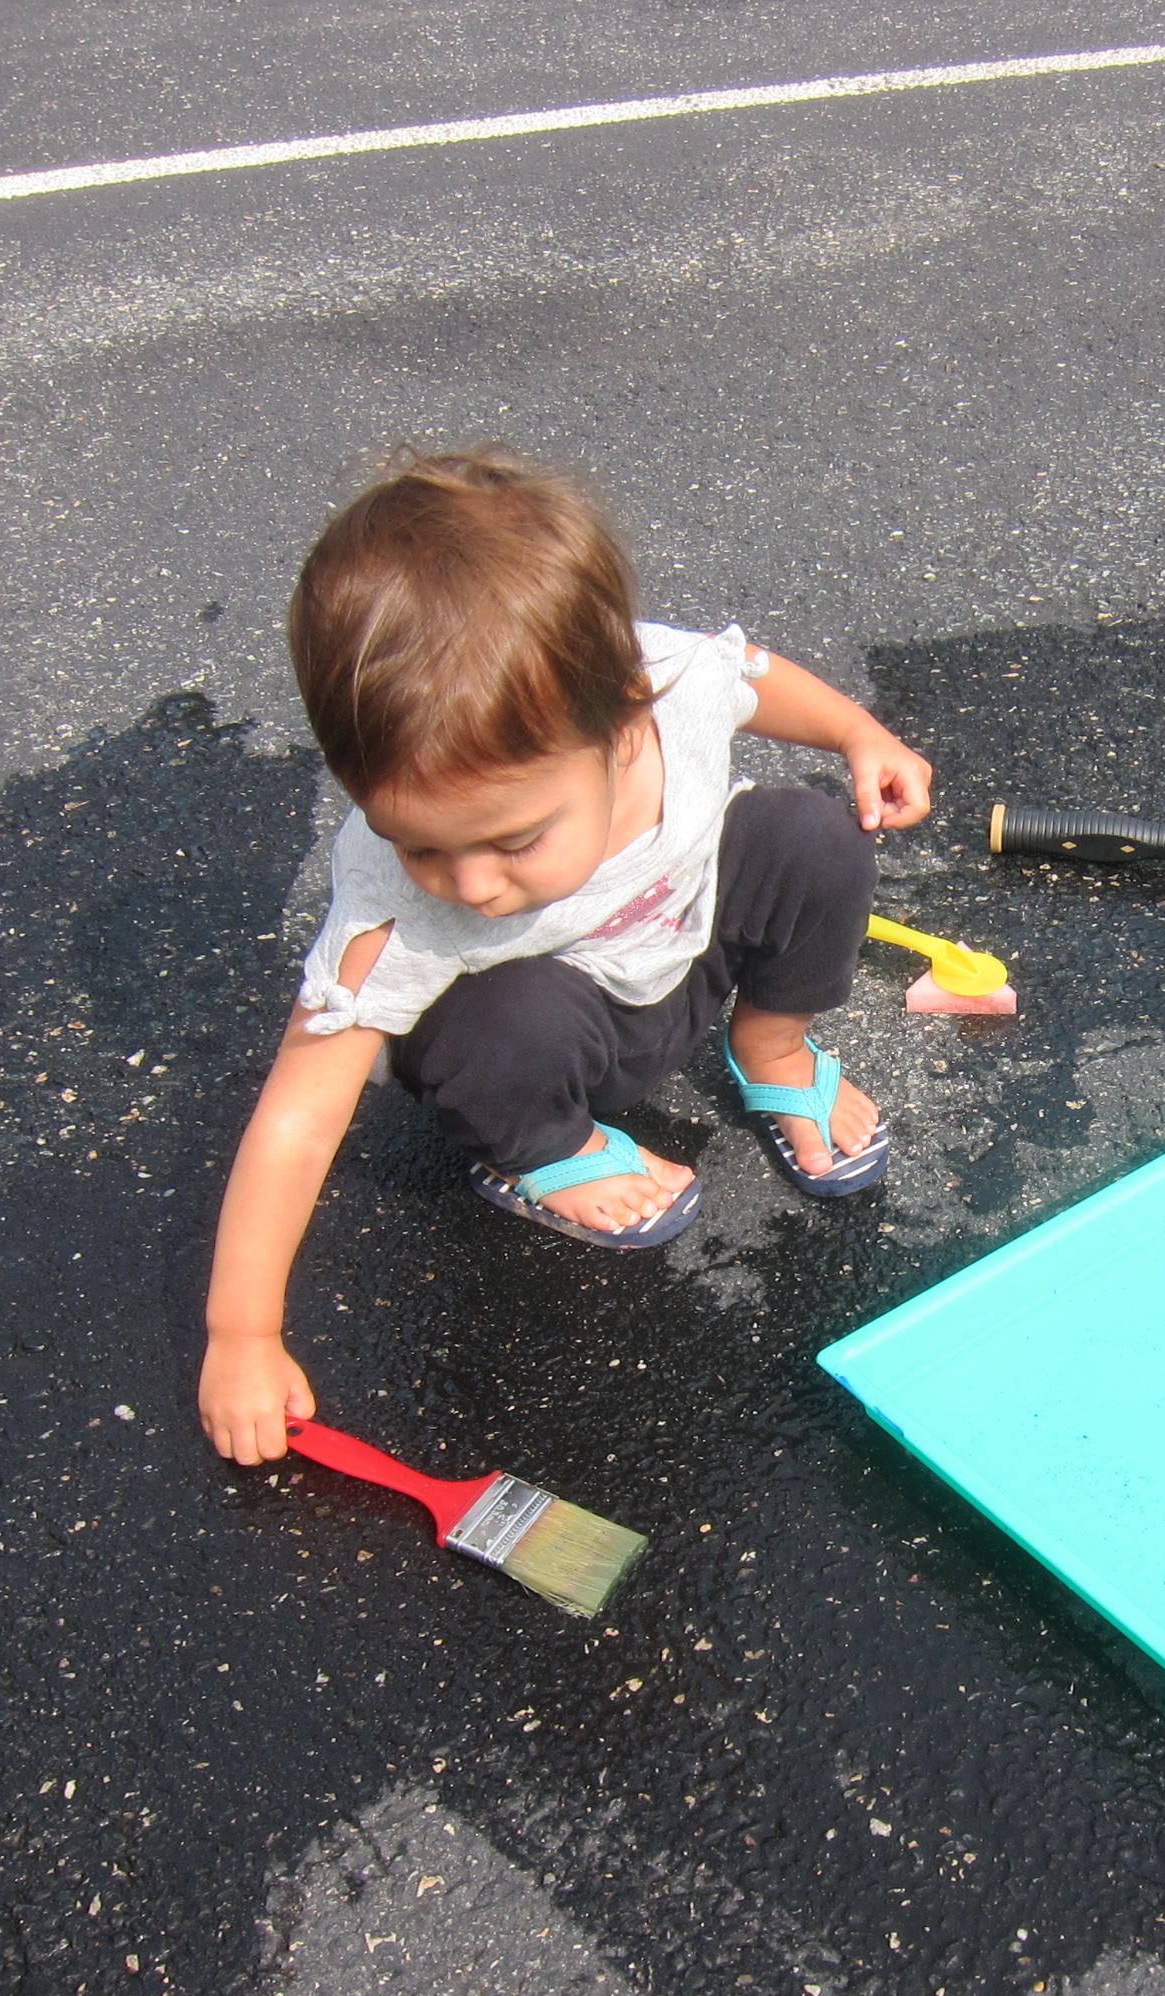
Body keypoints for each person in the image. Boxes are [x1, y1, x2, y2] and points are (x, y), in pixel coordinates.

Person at [197, 447, 934, 1465]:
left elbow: (750, 675)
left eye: (511, 839)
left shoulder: (658, 686)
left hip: (679, 955)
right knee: (508, 1021)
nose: (466, 883)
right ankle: (540, 1148)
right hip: (544, 1037)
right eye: (419, 842)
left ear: (622, 728)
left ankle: (769, 1048)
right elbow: (298, 1112)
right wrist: (243, 1334)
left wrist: (857, 733)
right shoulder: (394, 906)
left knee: (813, 836)